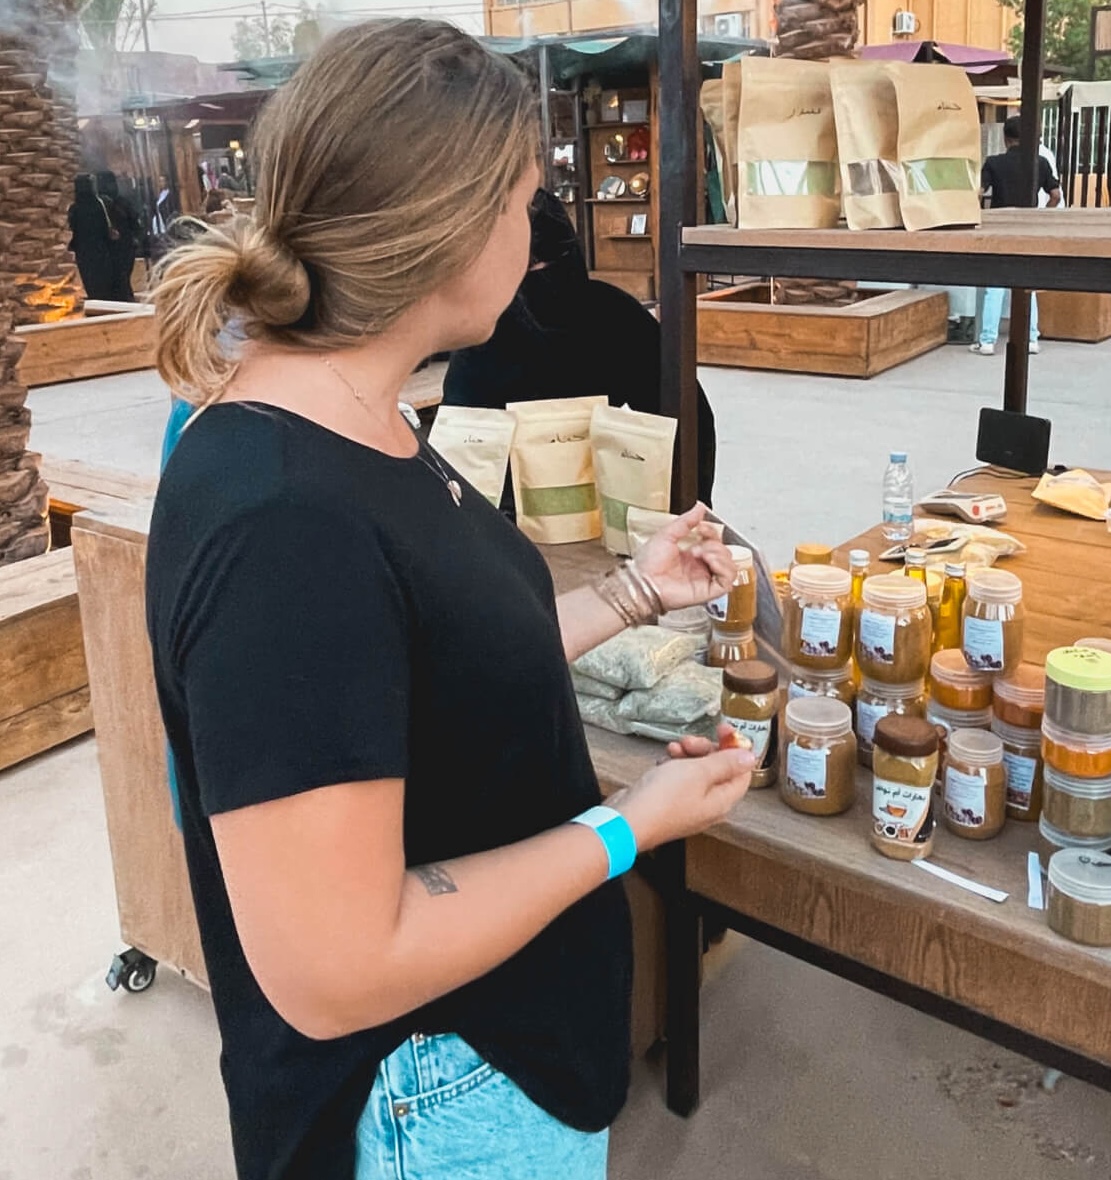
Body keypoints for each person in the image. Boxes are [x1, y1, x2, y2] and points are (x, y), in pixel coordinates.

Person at [147, 20, 752, 1180]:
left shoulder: (368, 420)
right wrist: (633, 824)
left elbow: (433, 667)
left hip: (497, 1053)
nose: (536, 237)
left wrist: (630, 593)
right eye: (525, 202)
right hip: (432, 1097)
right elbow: (340, 966)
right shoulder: (284, 525)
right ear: (448, 225)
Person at [445, 189, 718, 506]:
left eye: (553, 260)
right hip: (511, 509)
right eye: (527, 265)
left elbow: (685, 417)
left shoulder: (612, 316)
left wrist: (687, 502)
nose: (542, 275)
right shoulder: (485, 329)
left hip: (602, 498)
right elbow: (461, 446)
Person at [972, 115, 1062, 357]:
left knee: (995, 285)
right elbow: (1055, 195)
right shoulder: (1040, 162)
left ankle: (988, 341)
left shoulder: (993, 162)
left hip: (1000, 229)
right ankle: (1031, 338)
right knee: (1026, 286)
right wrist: (1044, 216)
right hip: (1029, 228)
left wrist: (979, 216)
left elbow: (978, 192)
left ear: (1006, 138)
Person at [67, 173, 116, 300]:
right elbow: (106, 227)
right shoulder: (99, 204)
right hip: (101, 249)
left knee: (90, 282)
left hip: (83, 251)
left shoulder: (74, 208)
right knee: (103, 281)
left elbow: (72, 230)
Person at [96, 170, 141, 302]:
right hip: (112, 249)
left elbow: (135, 223)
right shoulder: (99, 205)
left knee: (123, 279)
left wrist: (135, 239)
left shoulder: (122, 203)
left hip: (124, 246)